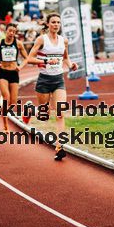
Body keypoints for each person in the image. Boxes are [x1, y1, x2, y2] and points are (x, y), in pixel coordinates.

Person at [26, 13, 78, 161]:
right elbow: (29, 58)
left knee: (60, 113)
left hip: (58, 80)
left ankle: (59, 146)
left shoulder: (64, 41)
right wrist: (41, 63)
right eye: (53, 22)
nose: (56, 25)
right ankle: (30, 110)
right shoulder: (42, 39)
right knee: (44, 115)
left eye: (58, 22)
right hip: (43, 80)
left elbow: (65, 57)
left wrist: (71, 65)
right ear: (48, 24)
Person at [0, 23, 28, 132]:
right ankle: (5, 125)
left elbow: (27, 58)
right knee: (6, 97)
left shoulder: (18, 44)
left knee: (13, 102)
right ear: (6, 31)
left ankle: (5, 113)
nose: (12, 33)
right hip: (3, 73)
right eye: (10, 31)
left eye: (14, 31)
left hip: (14, 73)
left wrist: (20, 66)